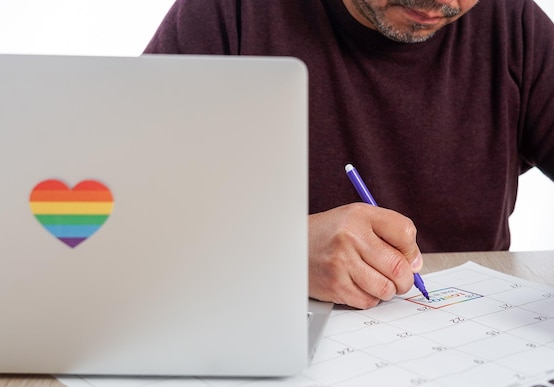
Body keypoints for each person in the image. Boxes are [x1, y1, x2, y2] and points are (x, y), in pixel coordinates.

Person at [143, 0, 554, 309]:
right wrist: (271, 251)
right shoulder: (230, 12)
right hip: (268, 334)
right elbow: (108, 211)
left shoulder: (511, 20)